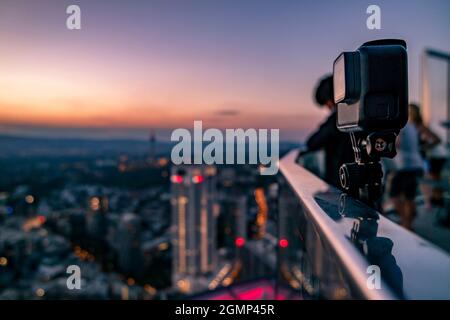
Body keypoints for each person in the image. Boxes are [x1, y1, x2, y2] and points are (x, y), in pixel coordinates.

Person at [302, 75, 354, 188]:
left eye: (327, 102)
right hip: (349, 179)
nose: (328, 107)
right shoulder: (352, 115)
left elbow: (313, 142)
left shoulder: (339, 118)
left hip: (342, 182)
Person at [389, 104, 425, 230]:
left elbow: (397, 144)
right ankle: (407, 221)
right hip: (413, 165)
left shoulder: (402, 126)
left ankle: (407, 224)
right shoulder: (412, 126)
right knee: (407, 196)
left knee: (396, 195)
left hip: (407, 166)